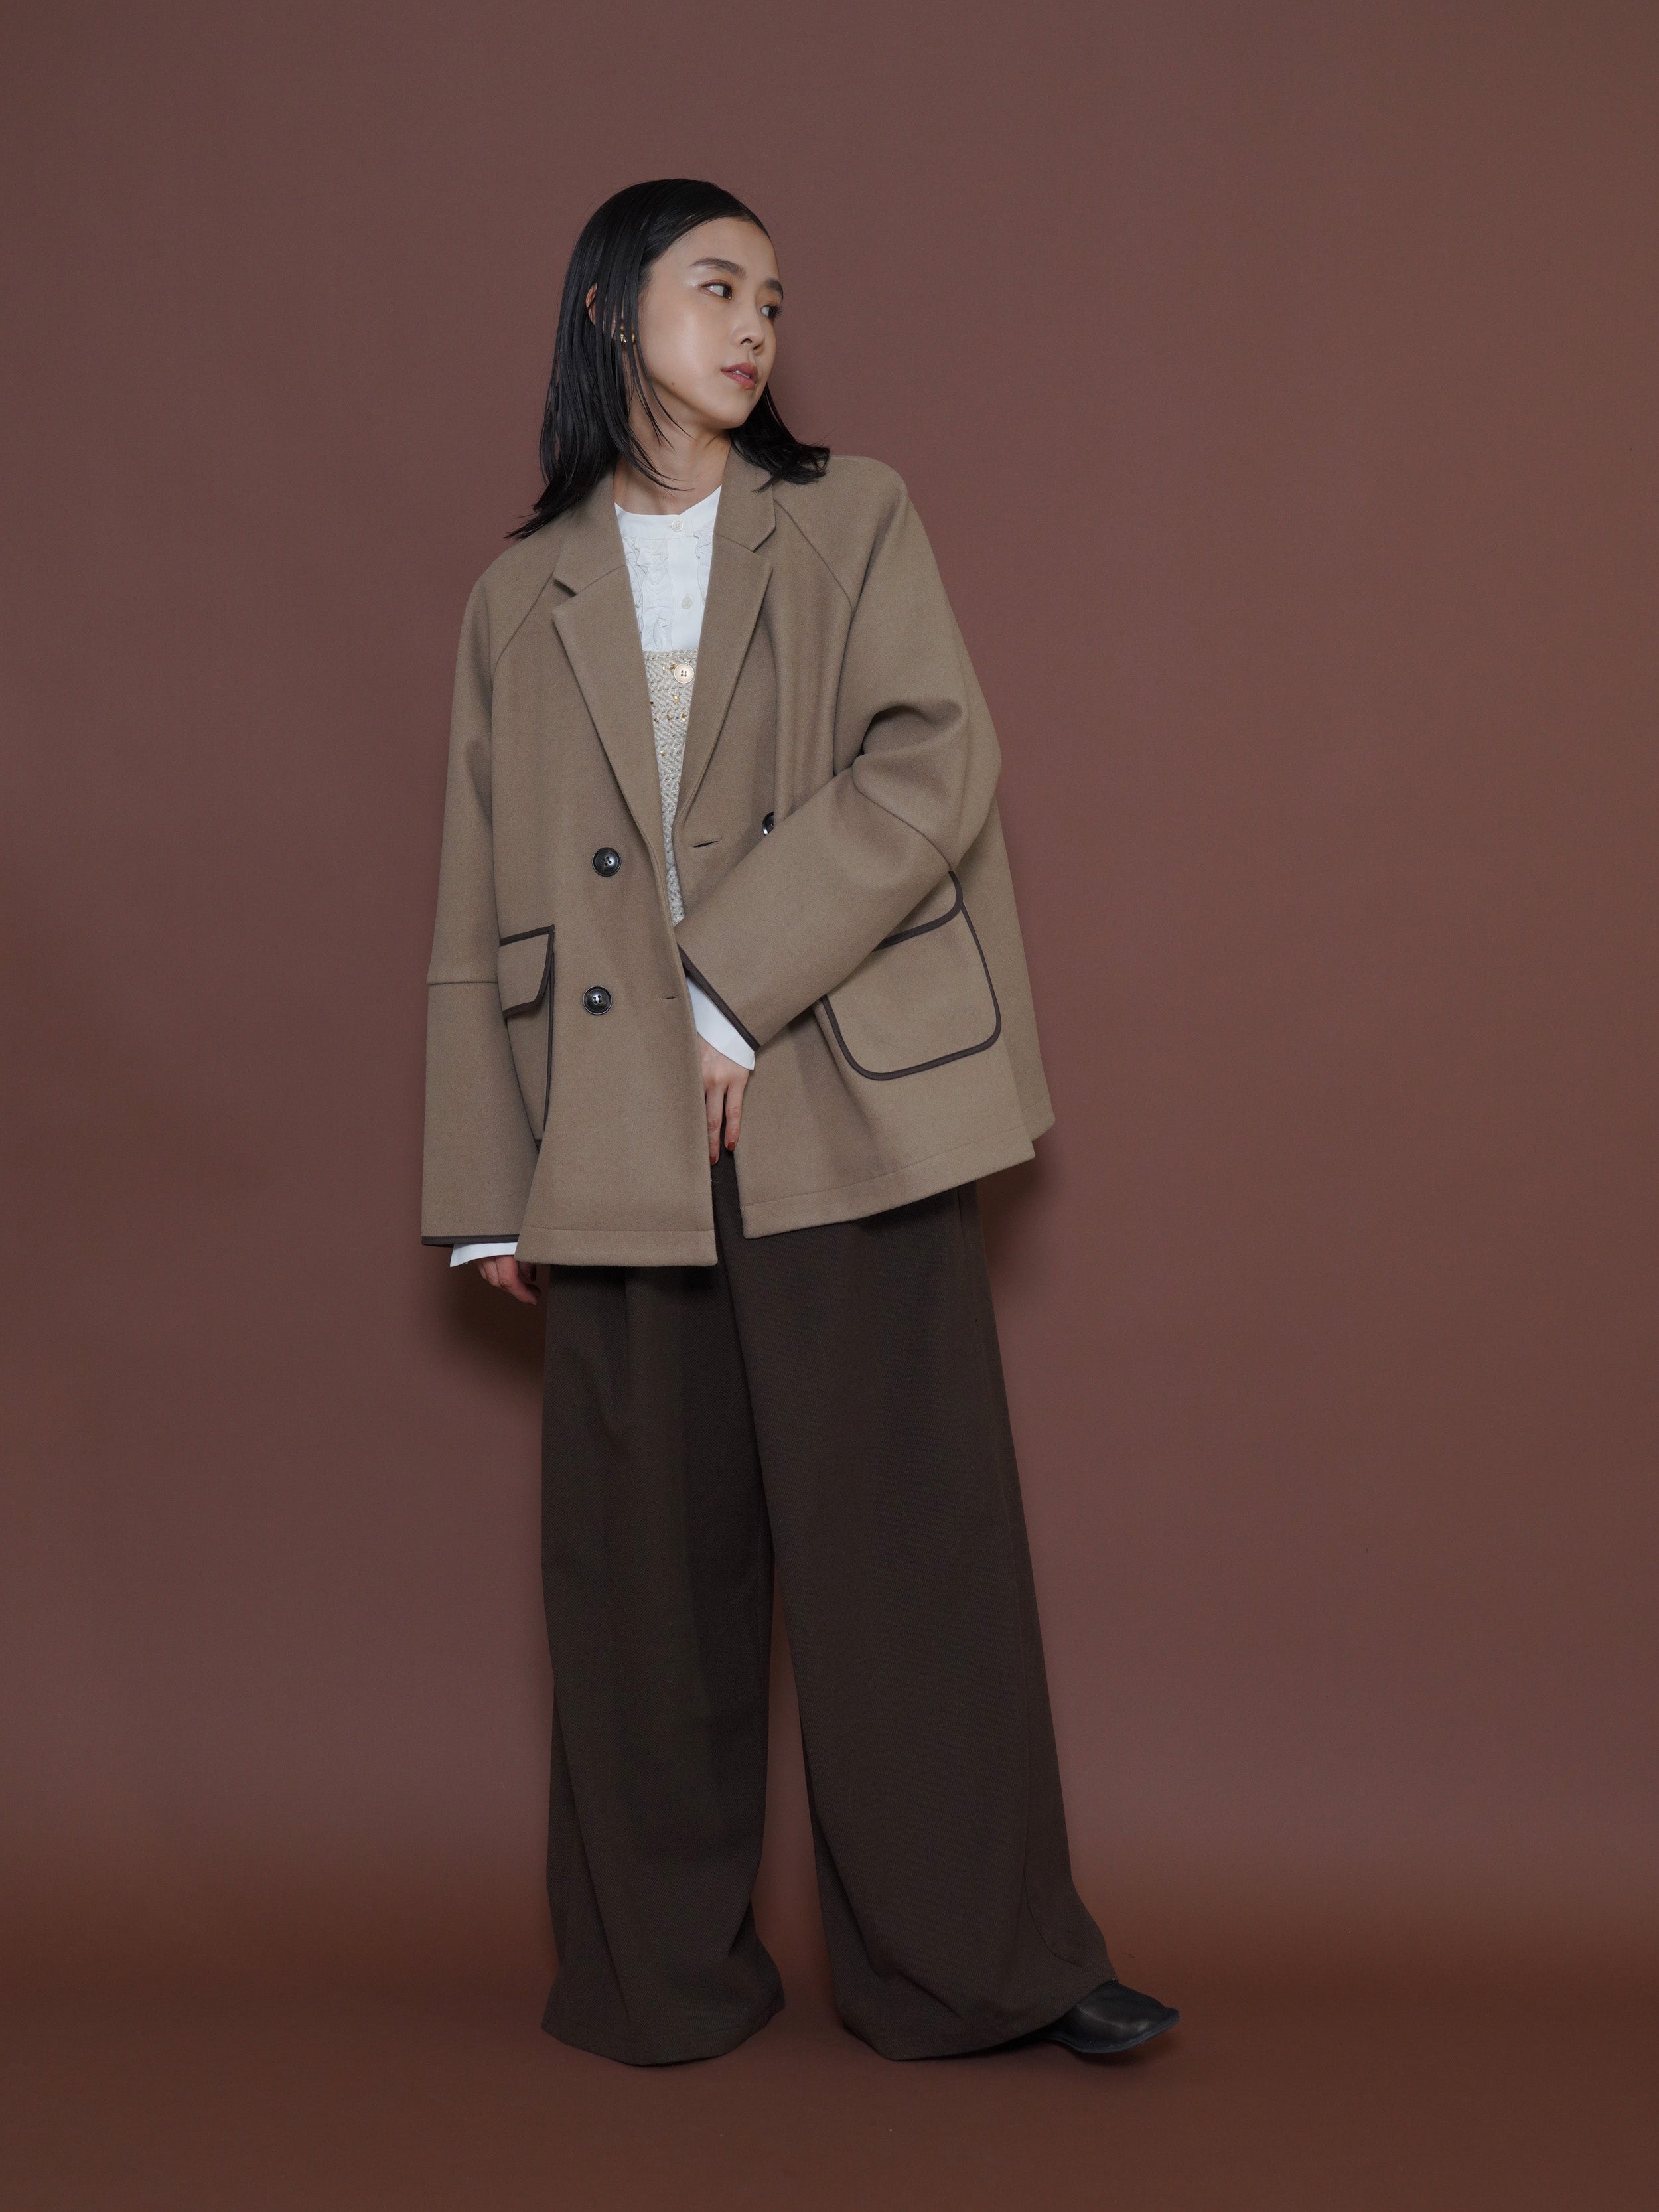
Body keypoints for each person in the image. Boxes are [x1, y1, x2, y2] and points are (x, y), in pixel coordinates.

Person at [421, 177, 1178, 2067]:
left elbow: (930, 761)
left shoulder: (854, 517)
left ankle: (984, 1965)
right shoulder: (518, 594)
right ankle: (655, 1977)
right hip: (605, 1131)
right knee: (637, 1589)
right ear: (611, 308)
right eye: (715, 287)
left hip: (842, 1094)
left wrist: (725, 990)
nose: (755, 325)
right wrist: (483, 1187)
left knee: (910, 1553)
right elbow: (473, 901)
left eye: (772, 296)